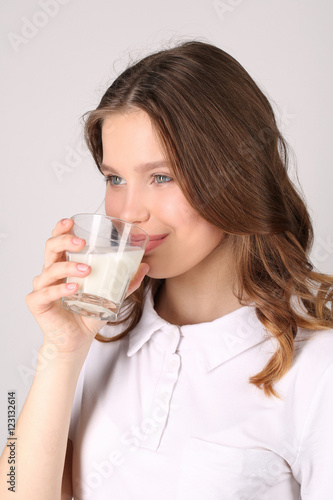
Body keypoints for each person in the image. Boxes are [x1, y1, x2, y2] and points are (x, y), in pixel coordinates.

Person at [0, 40, 332, 500]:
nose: (129, 211)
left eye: (162, 176)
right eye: (115, 178)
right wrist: (60, 352)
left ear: (236, 176)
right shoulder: (101, 327)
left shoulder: (316, 364)